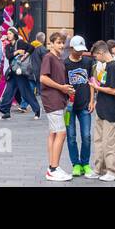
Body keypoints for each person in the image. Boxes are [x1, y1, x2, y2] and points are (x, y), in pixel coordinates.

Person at [38, 33, 74, 181]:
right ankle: (53, 168)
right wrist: (62, 88)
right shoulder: (49, 57)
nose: (61, 45)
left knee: (54, 133)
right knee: (61, 133)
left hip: (58, 99)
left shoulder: (58, 59)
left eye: (62, 43)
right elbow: (43, 78)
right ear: (51, 43)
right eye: (58, 42)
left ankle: (53, 166)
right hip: (52, 99)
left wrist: (66, 90)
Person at [89, 40, 115, 181]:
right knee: (99, 141)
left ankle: (113, 172)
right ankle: (99, 169)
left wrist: (97, 88)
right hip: (102, 108)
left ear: (102, 53)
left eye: (96, 56)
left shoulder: (113, 67)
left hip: (111, 109)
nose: (96, 59)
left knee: (109, 143)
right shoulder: (106, 66)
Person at [64, 36, 95, 177]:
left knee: (86, 135)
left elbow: (91, 81)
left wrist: (92, 100)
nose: (80, 53)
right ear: (71, 49)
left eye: (82, 50)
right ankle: (75, 164)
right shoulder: (64, 64)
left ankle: (85, 163)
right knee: (71, 136)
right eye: (78, 50)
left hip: (84, 105)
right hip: (68, 107)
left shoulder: (88, 62)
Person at [0, 32, 41, 119]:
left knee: (26, 92)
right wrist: (17, 52)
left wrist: (25, 56)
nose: (8, 35)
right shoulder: (8, 46)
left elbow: (31, 47)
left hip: (20, 72)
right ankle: (6, 112)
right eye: (8, 34)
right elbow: (8, 56)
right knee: (8, 92)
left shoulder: (20, 42)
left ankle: (37, 110)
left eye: (10, 33)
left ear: (14, 35)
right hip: (12, 72)